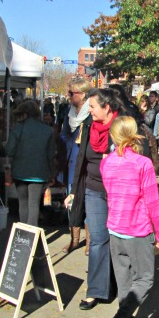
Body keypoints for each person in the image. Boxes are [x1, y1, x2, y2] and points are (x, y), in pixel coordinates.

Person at [99, 116, 159, 318]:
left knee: (125, 281)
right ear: (135, 134)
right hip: (136, 229)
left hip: (115, 227)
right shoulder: (142, 163)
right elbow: (152, 202)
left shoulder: (106, 162)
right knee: (145, 278)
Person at [64, 88, 121, 310]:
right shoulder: (88, 125)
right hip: (94, 189)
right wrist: (74, 190)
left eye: (93, 106)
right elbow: (82, 160)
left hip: (118, 192)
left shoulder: (121, 126)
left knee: (117, 240)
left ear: (107, 108)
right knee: (98, 239)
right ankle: (96, 290)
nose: (89, 109)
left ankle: (118, 285)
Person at [6, 100, 57, 227]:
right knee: (34, 204)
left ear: (24, 114)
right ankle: (32, 234)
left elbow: (9, 151)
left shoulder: (17, 128)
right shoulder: (47, 130)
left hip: (20, 171)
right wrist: (52, 173)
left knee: (23, 203)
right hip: (40, 173)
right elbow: (51, 155)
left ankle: (23, 233)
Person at [60, 78, 91, 253]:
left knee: (87, 201)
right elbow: (64, 136)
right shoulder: (69, 112)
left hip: (86, 164)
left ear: (83, 94)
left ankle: (89, 241)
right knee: (71, 202)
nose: (69, 96)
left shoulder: (92, 113)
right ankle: (74, 239)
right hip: (71, 162)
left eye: (72, 93)